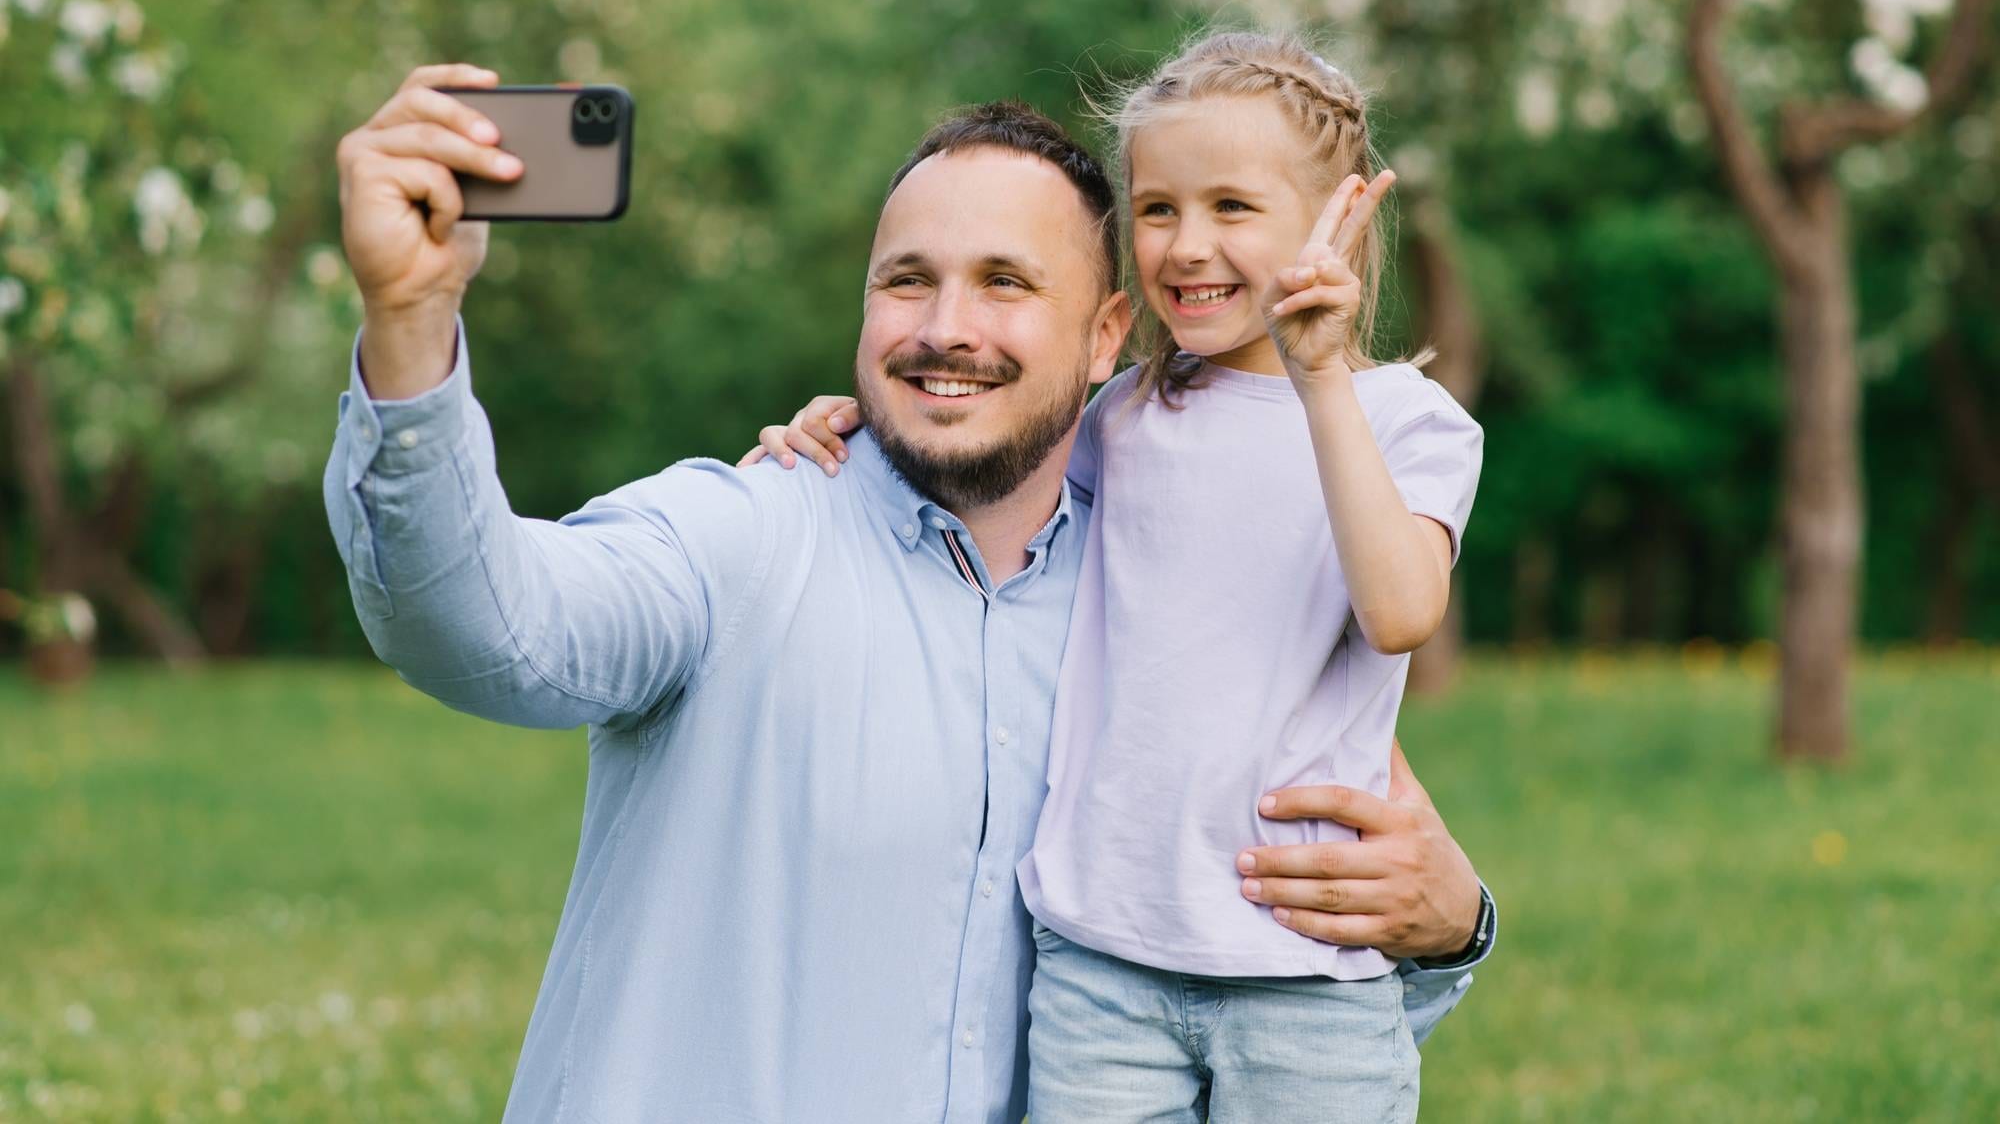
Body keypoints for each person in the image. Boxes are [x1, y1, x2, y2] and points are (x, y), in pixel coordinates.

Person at [324, 61, 1494, 1123]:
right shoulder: (745, 530)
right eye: (906, 280)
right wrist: (412, 324)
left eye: (1003, 283)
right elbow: (485, 633)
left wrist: (1448, 927)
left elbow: (1286, 969)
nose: (945, 331)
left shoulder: (1155, 579)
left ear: (1103, 339)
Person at [751, 30, 1485, 1120]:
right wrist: (857, 421)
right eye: (1156, 210)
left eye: (1232, 209)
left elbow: (1397, 612)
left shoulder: (1401, 420)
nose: (1186, 246)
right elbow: (986, 460)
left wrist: (1318, 376)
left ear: (1339, 216)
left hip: (1302, 972)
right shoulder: (1124, 417)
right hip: (1101, 965)